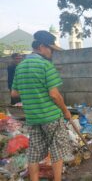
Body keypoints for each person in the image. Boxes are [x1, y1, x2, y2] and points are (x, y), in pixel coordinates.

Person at [11, 30, 71, 181]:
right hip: (51, 116)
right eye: (51, 49)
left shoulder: (21, 66)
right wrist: (65, 112)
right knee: (57, 150)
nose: (52, 53)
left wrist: (31, 89)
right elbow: (54, 95)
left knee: (34, 153)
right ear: (42, 47)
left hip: (32, 117)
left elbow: (14, 93)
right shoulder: (46, 66)